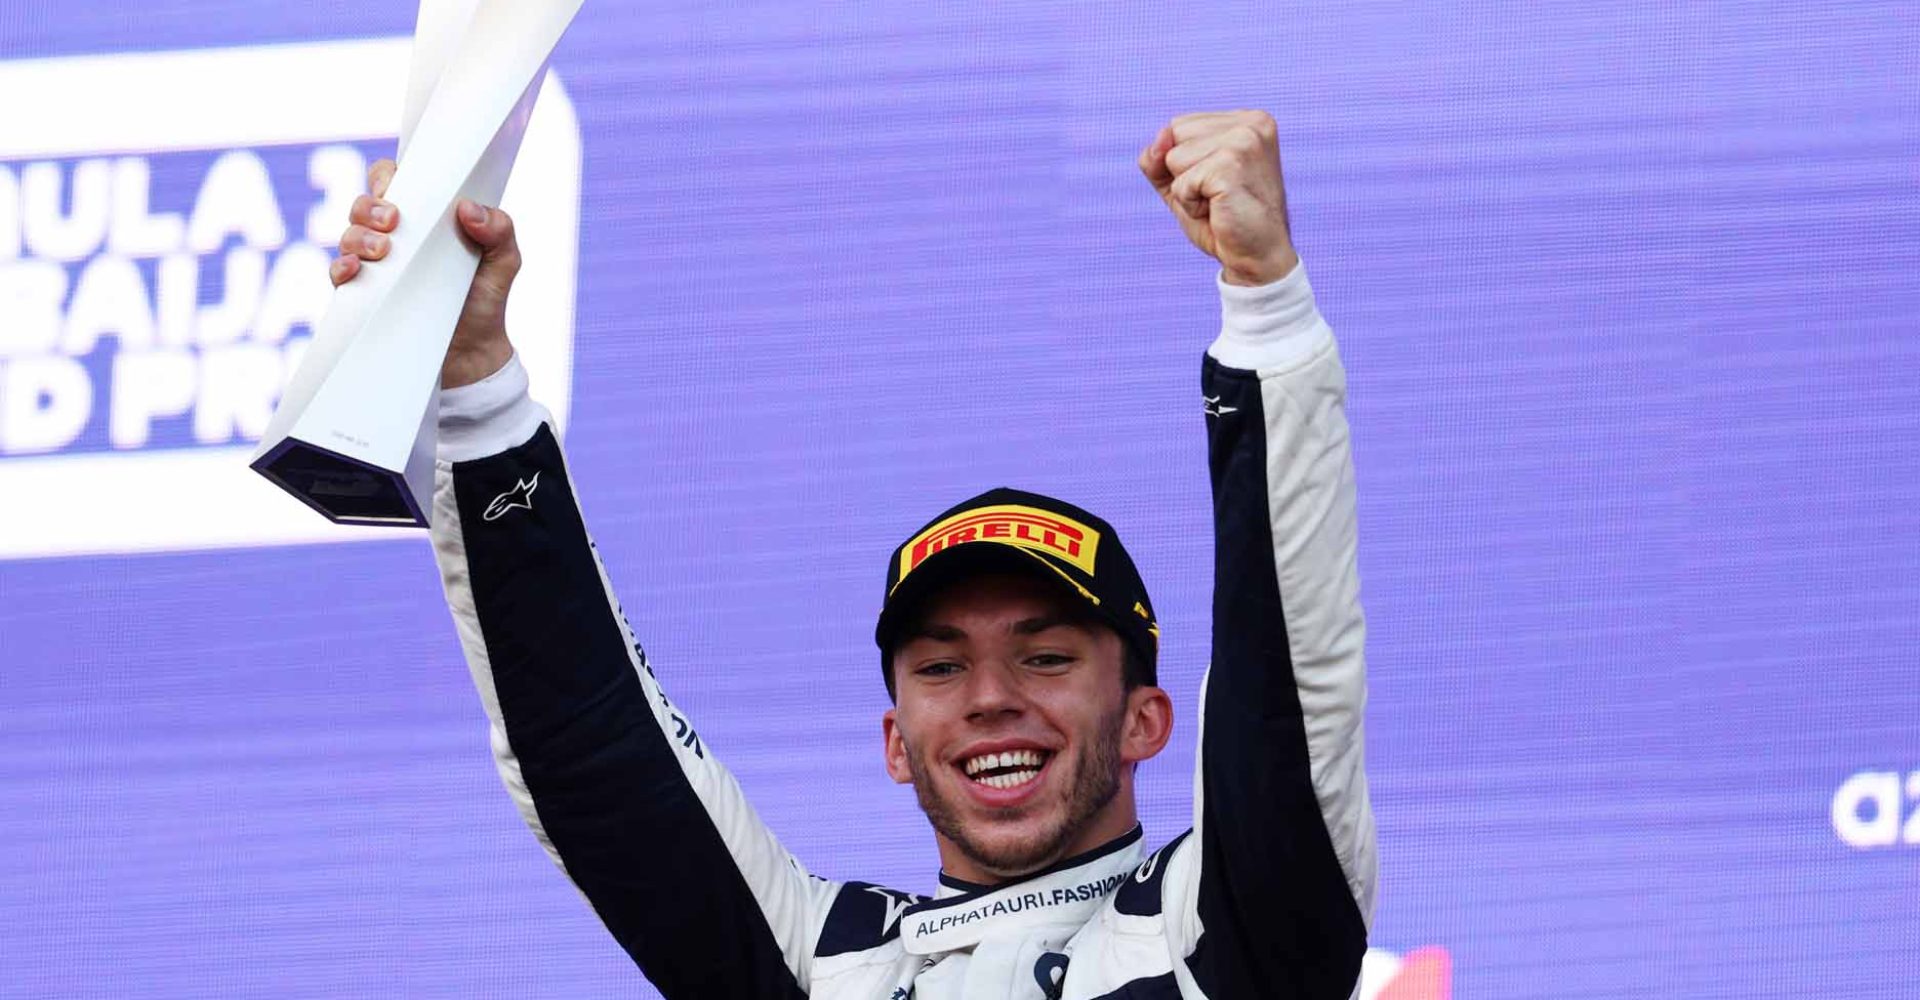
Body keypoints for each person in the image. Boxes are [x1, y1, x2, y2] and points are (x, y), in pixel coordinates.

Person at [332, 109, 1376, 999]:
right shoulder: (827, 968)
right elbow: (593, 751)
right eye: (939, 665)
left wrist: (1267, 306)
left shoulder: (1219, 932)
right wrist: (472, 387)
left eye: (1047, 656)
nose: (988, 698)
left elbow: (1287, 689)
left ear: (1147, 718)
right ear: (893, 741)